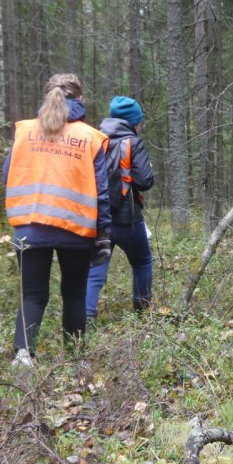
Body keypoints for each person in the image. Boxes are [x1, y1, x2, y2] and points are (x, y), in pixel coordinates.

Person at [3, 74, 110, 367]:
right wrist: (103, 236)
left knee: (33, 295)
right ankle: (75, 361)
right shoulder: (89, 137)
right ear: (80, 99)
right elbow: (102, 192)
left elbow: (6, 175)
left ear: (46, 96)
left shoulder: (25, 132)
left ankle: (23, 357)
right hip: (76, 229)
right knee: (74, 295)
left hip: (30, 226)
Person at [85, 96, 155, 320]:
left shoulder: (94, 139)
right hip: (128, 218)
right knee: (142, 262)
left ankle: (86, 319)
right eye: (139, 121)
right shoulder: (133, 143)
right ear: (133, 122)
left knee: (95, 270)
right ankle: (142, 313)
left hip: (98, 218)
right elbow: (145, 181)